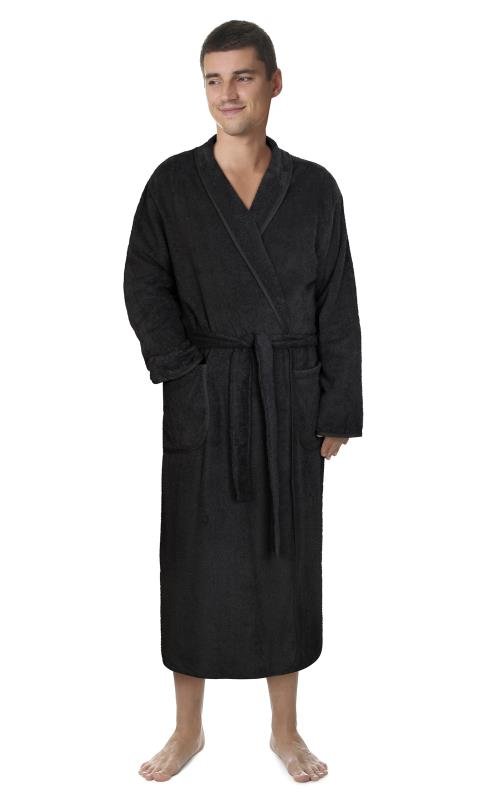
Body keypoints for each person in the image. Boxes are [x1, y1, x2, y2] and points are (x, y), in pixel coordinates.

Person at [123, 19, 363, 784]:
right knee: (194, 564)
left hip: (287, 400)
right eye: (213, 79)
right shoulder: (172, 184)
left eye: (242, 77)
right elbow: (143, 283)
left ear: (274, 82)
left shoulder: (313, 187)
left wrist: (335, 408)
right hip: (207, 399)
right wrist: (184, 372)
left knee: (282, 561)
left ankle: (284, 732)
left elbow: (337, 302)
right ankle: (186, 729)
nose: (226, 93)